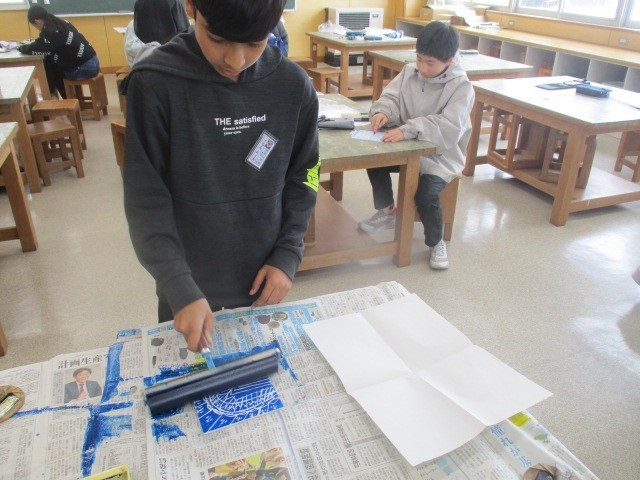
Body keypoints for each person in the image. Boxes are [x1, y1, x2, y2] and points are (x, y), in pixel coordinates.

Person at [122, 0, 319, 353]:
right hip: (186, 283)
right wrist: (177, 285)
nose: (235, 60)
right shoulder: (155, 83)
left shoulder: (294, 85)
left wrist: (288, 253)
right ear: (190, 8)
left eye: (255, 42)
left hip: (265, 277)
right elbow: (144, 199)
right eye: (217, 39)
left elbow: (308, 173)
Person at [358, 21, 474, 270]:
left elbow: (449, 127)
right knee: (373, 159)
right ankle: (387, 210)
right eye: (419, 59)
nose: (422, 67)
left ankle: (435, 242)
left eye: (430, 63)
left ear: (449, 60)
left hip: (441, 155)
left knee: (426, 195)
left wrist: (407, 129)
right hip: (407, 146)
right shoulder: (410, 71)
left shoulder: (461, 87)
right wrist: (383, 112)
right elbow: (391, 97)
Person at [17, 6, 99, 99]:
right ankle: (52, 94)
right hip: (94, 62)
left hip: (85, 68)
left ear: (37, 22)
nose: (37, 28)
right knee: (51, 59)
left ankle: (66, 100)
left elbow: (33, 48)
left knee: (52, 66)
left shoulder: (50, 32)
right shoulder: (61, 22)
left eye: (34, 26)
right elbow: (45, 44)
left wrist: (19, 47)